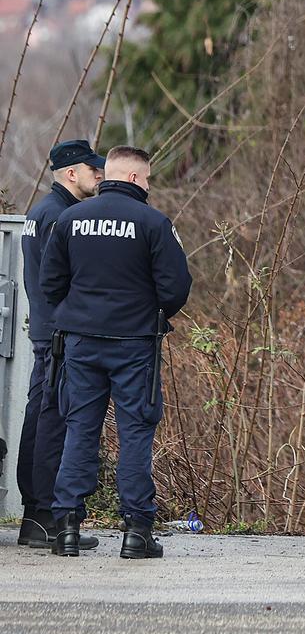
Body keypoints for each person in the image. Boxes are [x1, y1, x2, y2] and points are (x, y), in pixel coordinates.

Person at [40, 145, 192, 559]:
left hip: (81, 343)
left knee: (80, 430)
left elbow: (50, 282)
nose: (149, 185)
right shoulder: (153, 223)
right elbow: (176, 287)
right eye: (146, 179)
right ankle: (137, 532)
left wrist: (77, 314)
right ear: (131, 178)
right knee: (136, 433)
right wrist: (146, 313)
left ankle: (66, 528)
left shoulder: (70, 218)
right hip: (134, 345)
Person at [15, 140, 105, 550]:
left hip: (44, 332)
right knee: (53, 423)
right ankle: (48, 517)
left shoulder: (39, 212)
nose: (99, 176)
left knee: (39, 419)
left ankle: (36, 517)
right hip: (59, 336)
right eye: (93, 170)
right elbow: (64, 280)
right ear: (72, 173)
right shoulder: (63, 216)